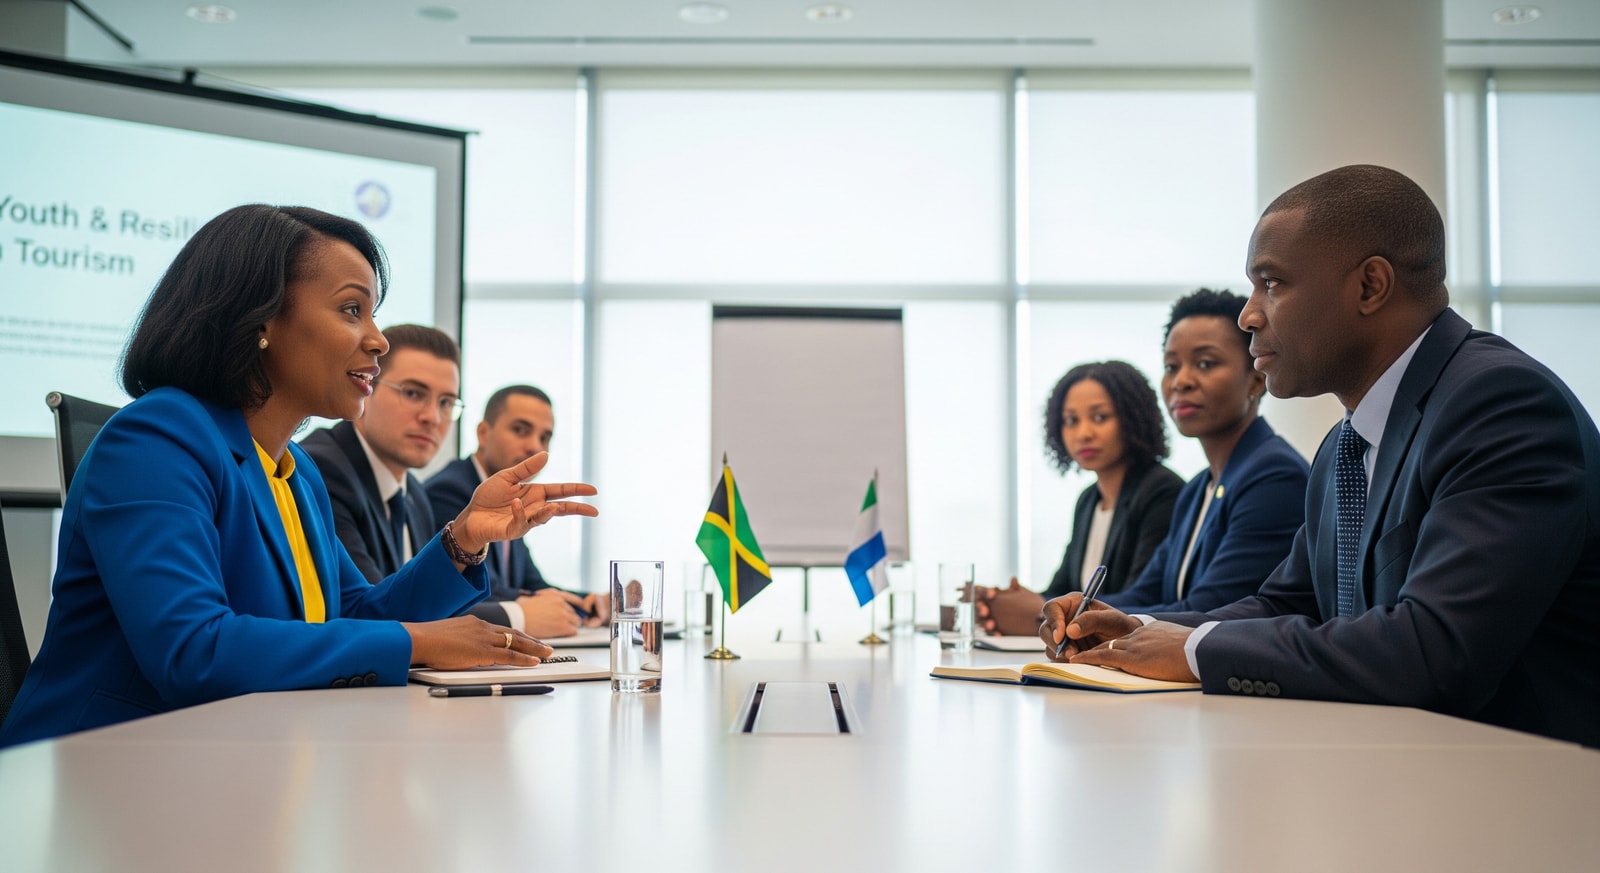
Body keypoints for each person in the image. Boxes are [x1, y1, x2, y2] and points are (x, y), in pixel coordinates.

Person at [0, 204, 598, 748]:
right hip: (100, 773)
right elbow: (192, 649)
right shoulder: (156, 437)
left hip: (232, 763)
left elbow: (356, 616)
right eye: (351, 309)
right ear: (260, 319)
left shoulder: (296, 467)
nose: (379, 339)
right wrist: (419, 642)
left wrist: (464, 539)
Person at [1044, 165, 1600, 747]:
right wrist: (1137, 631)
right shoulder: (1345, 443)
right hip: (1403, 775)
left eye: (1273, 283)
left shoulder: (1501, 404)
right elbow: (1290, 603)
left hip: (1525, 794)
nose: (1249, 314)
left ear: (1369, 286)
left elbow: (1436, 650)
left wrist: (1193, 648)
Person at [1093, 288, 1309, 614]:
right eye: (1171, 366)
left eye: (1205, 363)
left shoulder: (1275, 476)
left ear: (1255, 380)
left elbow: (1212, 609)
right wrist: (1072, 610)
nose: (1181, 382)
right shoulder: (1196, 489)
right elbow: (1144, 595)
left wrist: (1100, 622)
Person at [977, 361, 1183, 635]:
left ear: (1132, 418)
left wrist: (1039, 608)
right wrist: (1008, 603)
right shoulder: (1088, 501)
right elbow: (1063, 589)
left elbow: (1144, 598)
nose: (1083, 433)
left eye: (1099, 417)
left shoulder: (1161, 491)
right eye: (1071, 420)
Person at [425, 385, 607, 634]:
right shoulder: (450, 490)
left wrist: (591, 602)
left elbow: (533, 585)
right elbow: (483, 589)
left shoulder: (514, 498)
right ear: (483, 433)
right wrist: (551, 604)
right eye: (520, 430)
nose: (534, 446)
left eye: (544, 438)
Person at [299, 324, 462, 583]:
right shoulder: (323, 470)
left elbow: (422, 597)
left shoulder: (415, 496)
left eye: (446, 403)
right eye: (412, 393)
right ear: (366, 387)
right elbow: (370, 607)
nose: (432, 417)